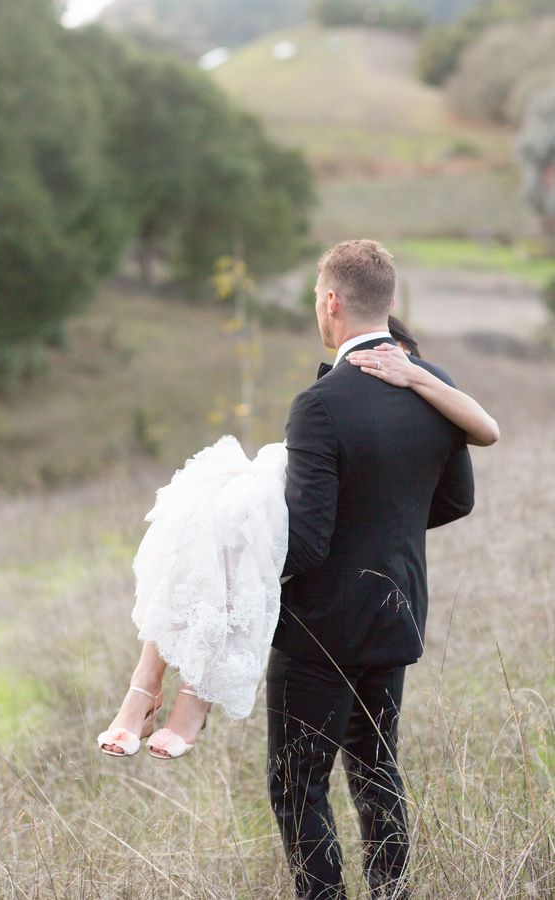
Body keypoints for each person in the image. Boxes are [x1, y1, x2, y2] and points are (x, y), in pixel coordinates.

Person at [97, 241, 496, 897]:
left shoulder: (321, 404)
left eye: (317, 299)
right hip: (395, 613)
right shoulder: (434, 387)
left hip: (318, 632)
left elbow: (307, 543)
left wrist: (242, 570)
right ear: (386, 301)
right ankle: (390, 891)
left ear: (331, 303)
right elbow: (457, 499)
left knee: (298, 783)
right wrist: (378, 534)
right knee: (376, 770)